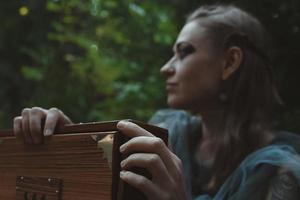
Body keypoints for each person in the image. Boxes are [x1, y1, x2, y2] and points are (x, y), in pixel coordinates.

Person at [13, 4, 300, 200]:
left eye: (184, 52)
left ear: (230, 62)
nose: (167, 68)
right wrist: (70, 143)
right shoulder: (172, 134)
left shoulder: (280, 169)